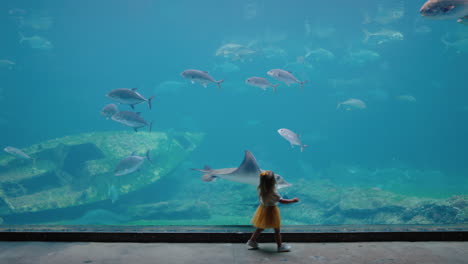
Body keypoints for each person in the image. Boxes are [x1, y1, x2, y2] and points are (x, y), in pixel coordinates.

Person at [246, 170, 300, 252]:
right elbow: (282, 201)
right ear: (273, 182)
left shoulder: (261, 189)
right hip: (271, 211)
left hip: (263, 209)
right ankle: (280, 246)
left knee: (260, 227)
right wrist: (292, 200)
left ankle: (252, 241)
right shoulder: (273, 193)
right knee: (277, 230)